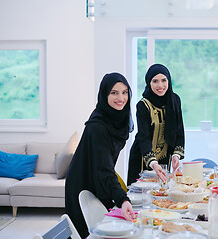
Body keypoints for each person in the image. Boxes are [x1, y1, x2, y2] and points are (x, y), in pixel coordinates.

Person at [65, 72, 135, 238]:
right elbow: (104, 169)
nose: (121, 98)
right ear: (104, 95)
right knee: (88, 231)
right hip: (83, 181)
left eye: (124, 92)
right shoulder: (98, 126)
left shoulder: (120, 118)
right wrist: (123, 199)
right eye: (114, 92)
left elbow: (105, 166)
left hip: (99, 174)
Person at [127, 64, 185, 185]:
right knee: (141, 195)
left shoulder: (174, 100)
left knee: (162, 193)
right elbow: (144, 137)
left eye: (164, 80)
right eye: (155, 81)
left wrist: (176, 156)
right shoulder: (143, 105)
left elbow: (179, 130)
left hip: (165, 158)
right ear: (149, 83)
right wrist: (153, 163)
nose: (160, 85)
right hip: (142, 157)